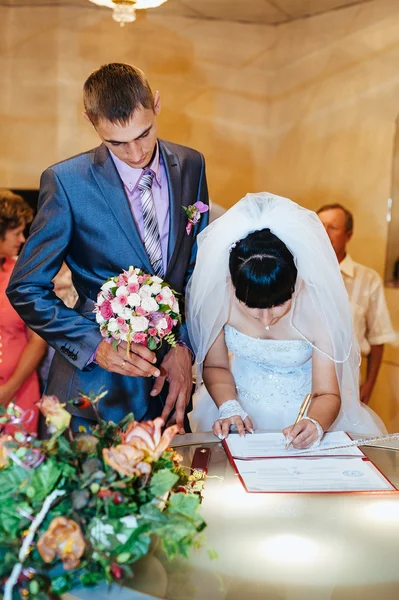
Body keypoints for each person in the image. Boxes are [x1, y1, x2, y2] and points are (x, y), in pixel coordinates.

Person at [7, 63, 209, 433]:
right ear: (89, 120)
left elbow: (196, 269)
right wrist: (93, 345)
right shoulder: (67, 182)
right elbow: (25, 286)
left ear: (157, 104)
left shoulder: (192, 165)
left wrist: (185, 346)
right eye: (116, 142)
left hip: (168, 389)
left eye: (144, 134)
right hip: (93, 394)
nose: (134, 153)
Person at [187, 193, 386, 448]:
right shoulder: (219, 300)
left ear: (295, 283)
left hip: (303, 411)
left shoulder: (318, 310)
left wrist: (315, 423)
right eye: (252, 307)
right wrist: (228, 405)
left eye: (279, 304)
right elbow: (216, 367)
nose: (267, 318)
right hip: (234, 406)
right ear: (233, 286)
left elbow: (327, 393)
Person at [317, 203, 395, 405]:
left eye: (333, 228)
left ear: (349, 235)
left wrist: (369, 384)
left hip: (348, 384)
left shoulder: (368, 279)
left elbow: (378, 337)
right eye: (319, 226)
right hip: (304, 380)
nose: (324, 233)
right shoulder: (299, 275)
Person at [0, 190, 47, 432]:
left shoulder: (21, 275)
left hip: (19, 393)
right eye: (16, 232)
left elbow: (38, 340)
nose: (21, 239)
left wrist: (7, 391)